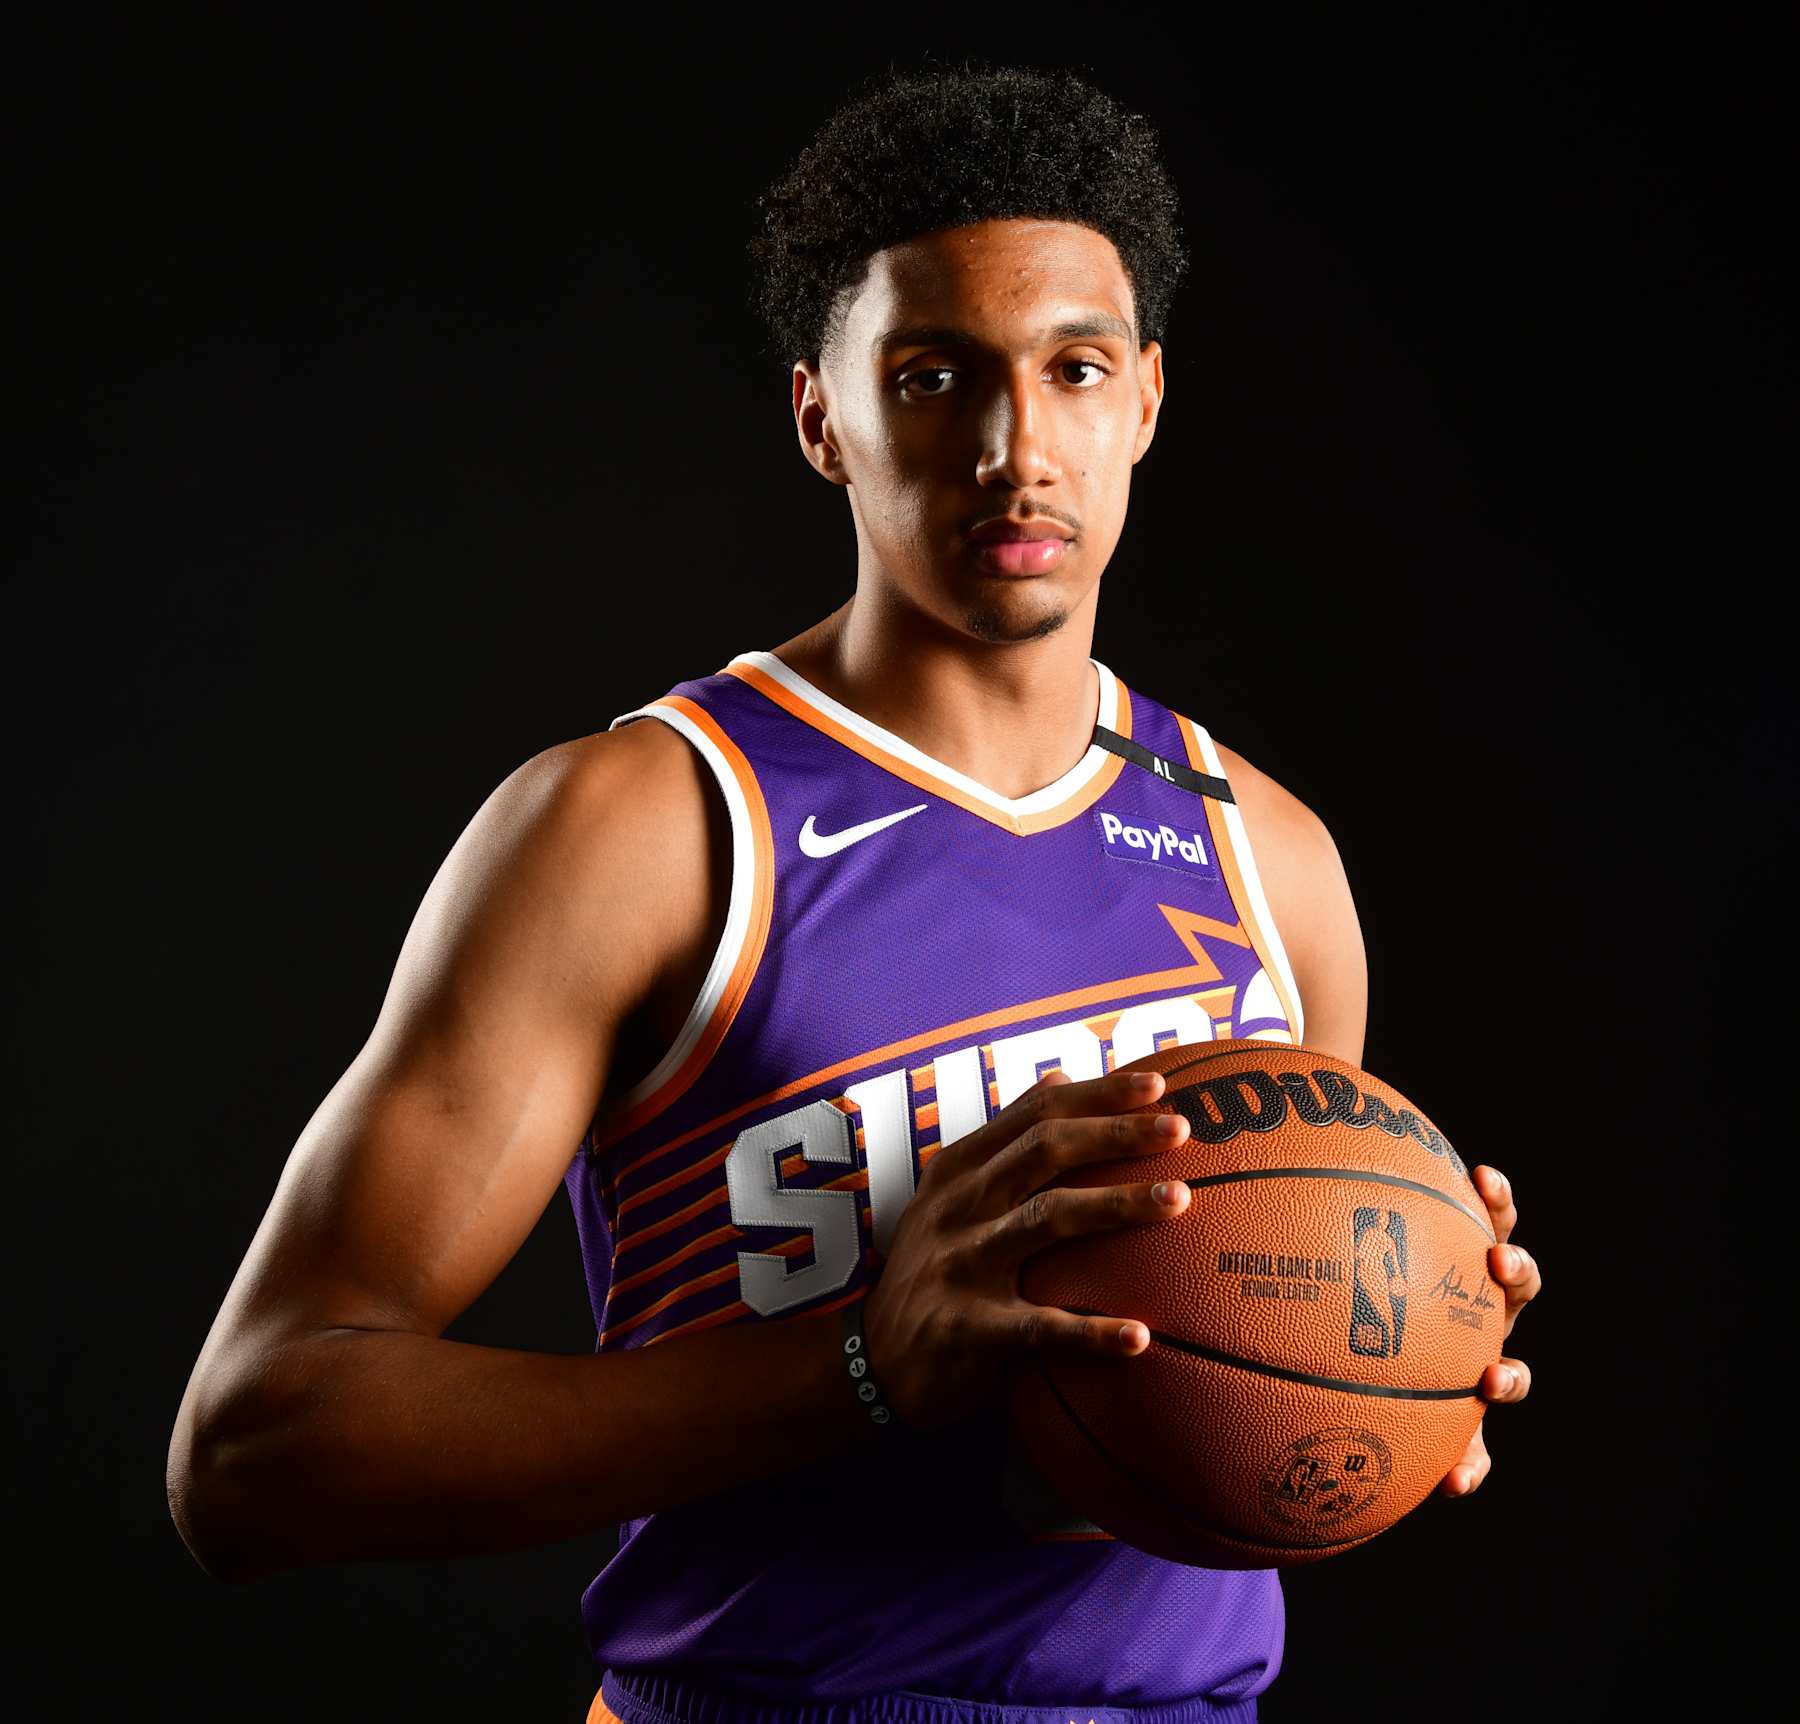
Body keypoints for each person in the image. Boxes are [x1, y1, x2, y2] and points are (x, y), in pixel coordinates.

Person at [168, 63, 1540, 1723]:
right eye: (935, 374)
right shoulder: (648, 824)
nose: (1014, 445)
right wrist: (861, 1371)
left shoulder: (1273, 860)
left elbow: (1194, 1419)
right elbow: (256, 1448)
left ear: (1147, 404)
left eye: (1074, 370)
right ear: (825, 416)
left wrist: (1387, 1351)